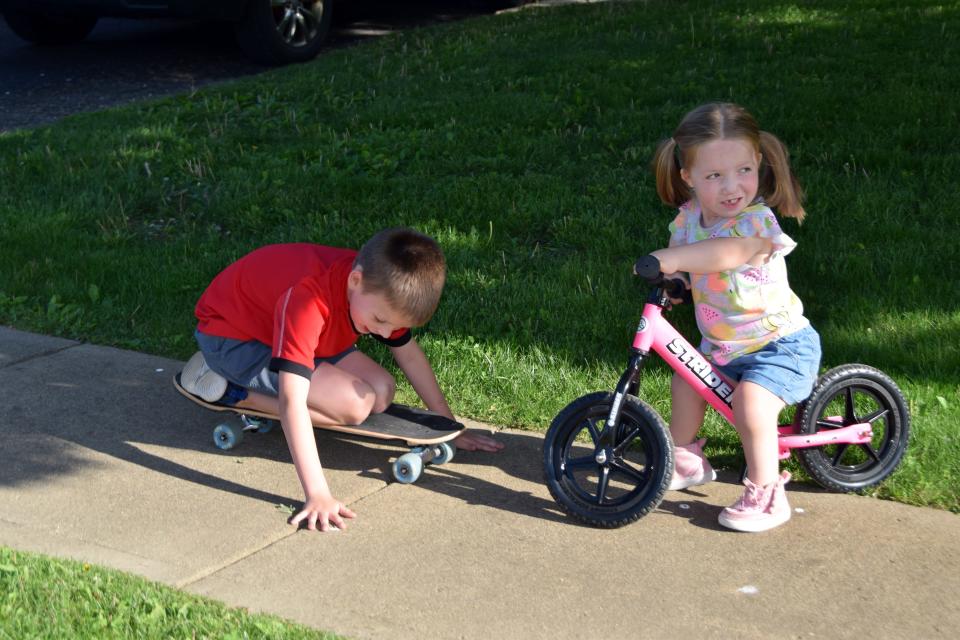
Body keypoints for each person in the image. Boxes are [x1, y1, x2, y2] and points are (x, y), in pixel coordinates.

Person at [180, 227, 504, 532]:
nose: (385, 333)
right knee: (355, 405)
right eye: (379, 321)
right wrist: (317, 493)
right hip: (233, 338)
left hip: (294, 332)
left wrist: (447, 427)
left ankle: (278, 375)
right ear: (355, 280)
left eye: (393, 326)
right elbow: (293, 400)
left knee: (381, 390)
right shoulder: (309, 300)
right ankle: (232, 391)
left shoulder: (380, 287)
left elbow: (408, 354)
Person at [648, 102, 821, 532]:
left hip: (779, 347)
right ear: (687, 177)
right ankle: (686, 458)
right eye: (714, 176)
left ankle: (766, 493)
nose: (732, 187)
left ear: (759, 164)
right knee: (685, 376)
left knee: (751, 404)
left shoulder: (754, 223)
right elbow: (696, 268)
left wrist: (667, 258)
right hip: (725, 347)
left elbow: (723, 255)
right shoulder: (688, 221)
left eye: (743, 171)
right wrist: (679, 282)